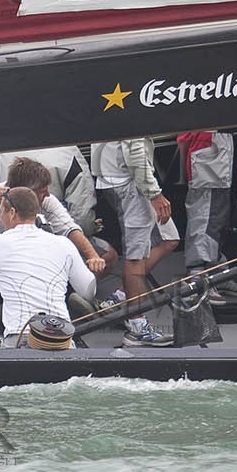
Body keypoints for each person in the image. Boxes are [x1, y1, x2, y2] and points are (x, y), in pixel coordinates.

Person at [0, 186, 96, 348]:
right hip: (62, 340)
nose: (1, 217)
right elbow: (88, 290)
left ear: (12, 213)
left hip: (18, 339)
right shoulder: (64, 244)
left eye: (2, 212)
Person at [93, 137, 178, 347]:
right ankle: (137, 326)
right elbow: (134, 149)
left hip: (114, 177)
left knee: (169, 238)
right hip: (130, 182)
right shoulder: (133, 115)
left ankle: (121, 296)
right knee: (136, 256)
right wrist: (155, 194)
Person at [176, 130, 237, 302]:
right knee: (205, 218)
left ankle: (216, 274)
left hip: (218, 145)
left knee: (217, 218)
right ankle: (197, 279)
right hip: (207, 146)